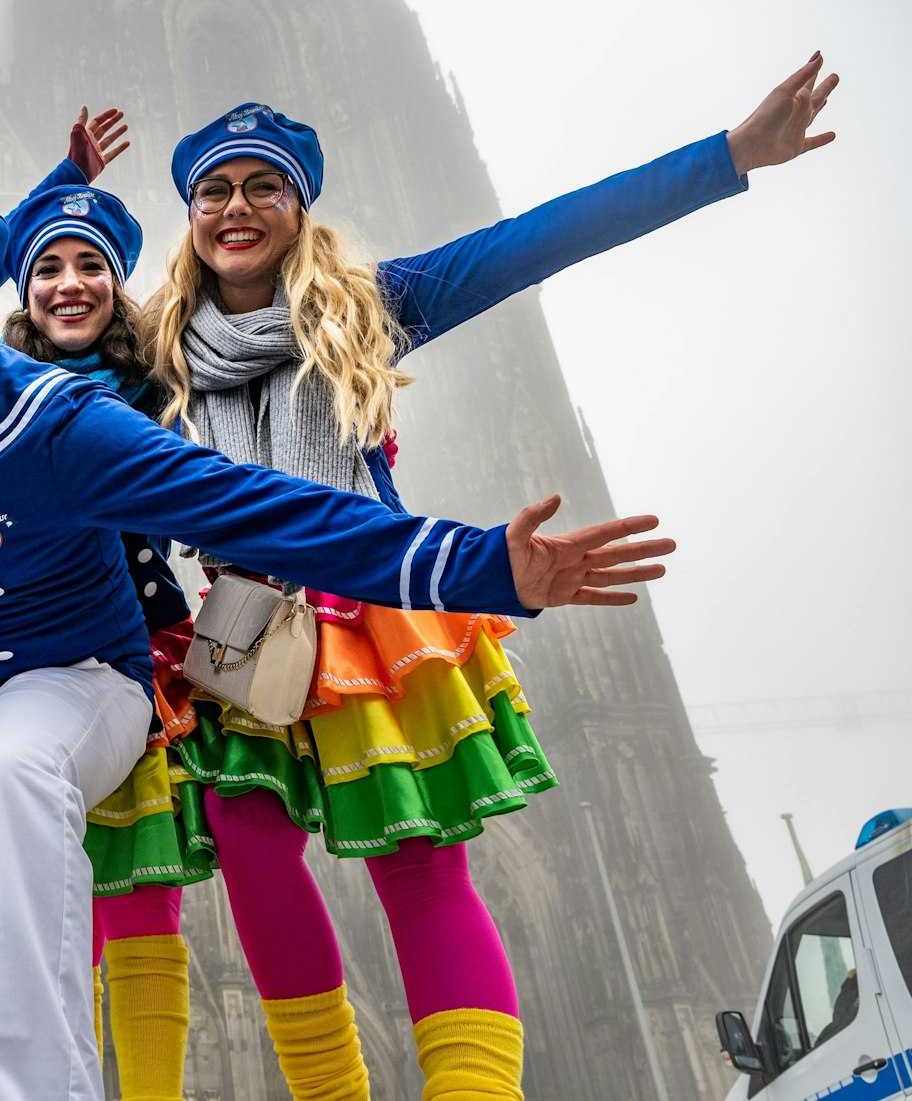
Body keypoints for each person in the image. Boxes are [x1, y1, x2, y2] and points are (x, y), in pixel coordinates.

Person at [0, 181, 674, 1101]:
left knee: (11, 773)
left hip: (81, 686)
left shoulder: (64, 422)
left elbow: (271, 511)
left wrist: (489, 569)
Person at [144, 58, 836, 1099]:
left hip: (373, 600)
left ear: (297, 207)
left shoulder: (371, 304)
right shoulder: (158, 348)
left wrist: (725, 158)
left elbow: (536, 240)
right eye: (215, 191)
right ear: (190, 214)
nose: (236, 208)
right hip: (242, 615)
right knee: (245, 841)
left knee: (418, 859)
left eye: (262, 187)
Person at [0, 183, 200, 1101]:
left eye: (92, 266)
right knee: (42, 887)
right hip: (14, 650)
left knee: (141, 883)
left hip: (137, 643)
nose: (71, 284)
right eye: (47, 267)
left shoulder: (165, 381)